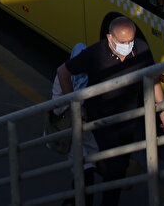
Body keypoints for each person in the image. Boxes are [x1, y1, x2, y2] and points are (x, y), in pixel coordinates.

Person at [56, 17, 164, 206]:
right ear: (110, 38)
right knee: (116, 166)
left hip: (128, 118)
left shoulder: (140, 48)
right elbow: (63, 72)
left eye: (131, 41)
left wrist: (163, 108)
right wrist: (75, 106)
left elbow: (154, 77)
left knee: (120, 165)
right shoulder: (95, 53)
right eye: (123, 42)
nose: (128, 46)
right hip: (101, 119)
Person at [51, 43, 99, 206]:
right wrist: (76, 106)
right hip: (71, 132)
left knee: (85, 170)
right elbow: (56, 108)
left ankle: (73, 201)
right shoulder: (62, 79)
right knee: (86, 171)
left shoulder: (91, 77)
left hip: (86, 133)